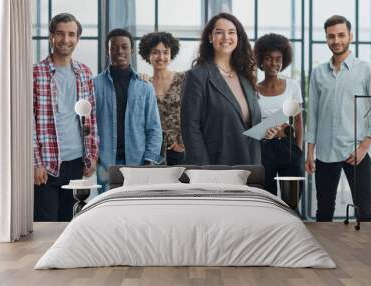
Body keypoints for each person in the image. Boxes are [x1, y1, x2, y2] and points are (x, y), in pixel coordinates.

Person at [305, 15, 371, 222]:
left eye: (341, 35)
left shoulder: (367, 70)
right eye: (331, 36)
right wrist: (310, 152)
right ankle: (323, 253)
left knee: (364, 211)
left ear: (350, 36)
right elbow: (313, 113)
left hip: (355, 150)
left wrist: (365, 146)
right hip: (325, 152)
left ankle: (367, 255)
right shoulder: (318, 73)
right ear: (326, 39)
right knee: (323, 211)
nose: (336, 40)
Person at [33, 13, 98, 222]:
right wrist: (35, 163)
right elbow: (28, 122)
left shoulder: (84, 73)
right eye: (60, 33)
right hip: (47, 163)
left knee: (70, 224)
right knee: (45, 225)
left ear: (77, 39)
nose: (66, 39)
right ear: (51, 36)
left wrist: (92, 154)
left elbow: (91, 117)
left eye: (71, 34)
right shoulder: (36, 73)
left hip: (76, 161)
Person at [181, 12, 261, 165]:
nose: (226, 37)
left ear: (238, 37)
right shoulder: (197, 76)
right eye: (219, 32)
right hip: (217, 167)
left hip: (250, 165)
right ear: (210, 37)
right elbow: (190, 129)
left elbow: (247, 122)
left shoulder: (245, 76)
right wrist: (204, 170)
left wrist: (266, 131)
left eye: (231, 32)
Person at [94, 28, 162, 192]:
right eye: (114, 47)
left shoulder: (145, 87)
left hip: (137, 163)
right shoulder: (94, 85)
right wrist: (93, 158)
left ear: (131, 50)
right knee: (106, 209)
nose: (120, 51)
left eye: (124, 47)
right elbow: (88, 126)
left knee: (135, 209)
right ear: (107, 51)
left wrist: (149, 160)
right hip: (104, 163)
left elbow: (154, 128)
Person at [254, 33, 304, 196]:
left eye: (278, 59)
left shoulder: (292, 86)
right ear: (261, 60)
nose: (274, 63)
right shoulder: (253, 89)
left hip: (288, 147)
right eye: (268, 58)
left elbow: (298, 121)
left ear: (284, 61)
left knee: (292, 198)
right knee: (266, 197)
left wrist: (298, 149)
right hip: (263, 148)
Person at [139, 32, 185, 165]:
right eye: (155, 52)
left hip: (179, 149)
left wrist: (182, 144)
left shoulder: (183, 80)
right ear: (148, 55)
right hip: (153, 151)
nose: (161, 57)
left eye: (165, 52)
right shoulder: (145, 84)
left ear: (171, 54)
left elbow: (194, 113)